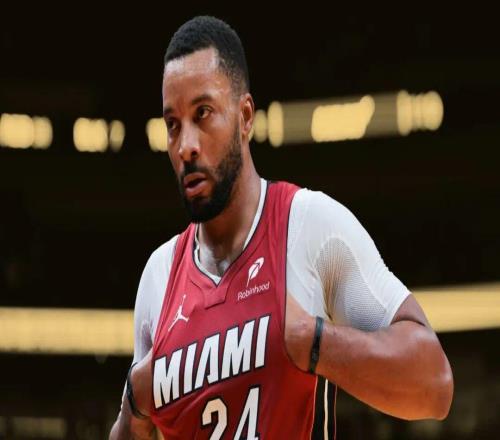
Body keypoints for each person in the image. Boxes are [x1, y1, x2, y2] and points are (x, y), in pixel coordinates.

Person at [109, 15, 453, 440]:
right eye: (173, 125)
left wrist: (315, 342)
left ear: (245, 116)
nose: (186, 146)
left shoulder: (309, 226)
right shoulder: (158, 277)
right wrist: (132, 408)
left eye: (203, 114)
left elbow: (435, 385)